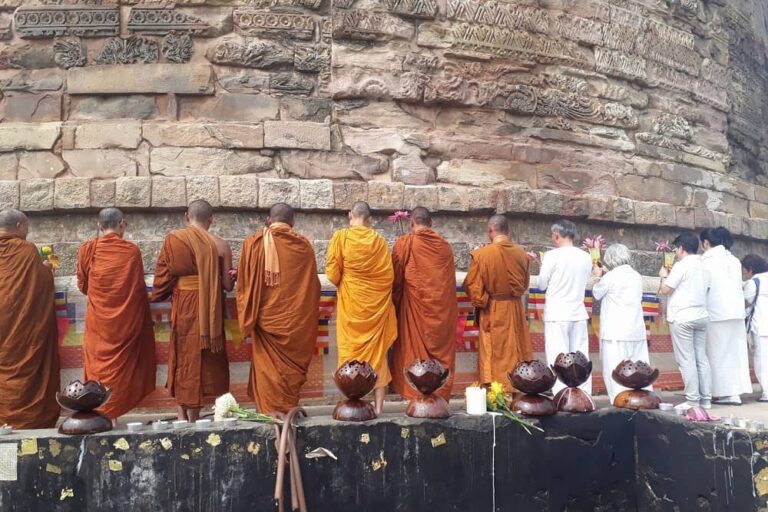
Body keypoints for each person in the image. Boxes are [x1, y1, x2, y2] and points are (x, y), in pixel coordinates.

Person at [151, 200, 233, 422]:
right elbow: (227, 285)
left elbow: (162, 281)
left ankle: (183, 415)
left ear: (187, 216)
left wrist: (153, 296)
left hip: (185, 306)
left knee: (184, 354)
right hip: (211, 310)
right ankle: (198, 414)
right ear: (211, 219)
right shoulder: (221, 245)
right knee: (207, 358)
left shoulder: (174, 240)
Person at [237, 203, 320, 414]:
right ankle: (285, 417)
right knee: (286, 378)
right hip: (296, 325)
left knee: (268, 373)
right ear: (292, 223)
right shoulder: (303, 246)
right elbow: (313, 288)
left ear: (268, 220)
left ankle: (272, 418)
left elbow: (244, 284)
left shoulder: (253, 243)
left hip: (267, 321)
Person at [76, 208, 156, 424]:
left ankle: (103, 415)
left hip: (98, 323)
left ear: (100, 226)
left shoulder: (88, 249)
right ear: (122, 224)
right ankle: (114, 416)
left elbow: (83, 285)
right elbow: (137, 289)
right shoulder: (131, 251)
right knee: (122, 368)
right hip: (125, 323)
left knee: (98, 367)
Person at [326, 201, 397, 416]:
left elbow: (332, 274)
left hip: (351, 306)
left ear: (350, 215)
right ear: (370, 219)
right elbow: (388, 277)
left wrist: (348, 282)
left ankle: (350, 406)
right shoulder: (379, 241)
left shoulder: (340, 238)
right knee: (377, 358)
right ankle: (379, 408)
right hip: (374, 309)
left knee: (349, 354)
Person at [0, 209, 60, 429]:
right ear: (19, 227)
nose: (27, 232)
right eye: (27, 227)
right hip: (21, 326)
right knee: (27, 368)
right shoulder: (26, 249)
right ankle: (29, 419)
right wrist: (47, 268)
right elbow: (41, 284)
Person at [391, 207, 457, 401]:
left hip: (415, 314)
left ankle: (416, 399)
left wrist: (395, 304)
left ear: (412, 223)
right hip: (441, 316)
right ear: (431, 224)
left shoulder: (405, 243)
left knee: (414, 355)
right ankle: (439, 398)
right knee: (439, 359)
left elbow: (394, 280)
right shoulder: (445, 247)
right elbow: (448, 284)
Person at [463, 214, 532, 390]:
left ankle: (496, 392)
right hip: (515, 308)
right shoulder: (521, 254)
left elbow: (474, 287)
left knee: (494, 352)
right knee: (516, 348)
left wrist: (483, 300)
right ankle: (518, 389)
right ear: (507, 231)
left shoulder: (482, 255)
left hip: (492, 309)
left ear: (490, 231)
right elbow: (524, 284)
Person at [538, 219, 593, 394]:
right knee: (580, 356)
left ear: (556, 235)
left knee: (558, 355)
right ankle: (583, 393)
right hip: (577, 312)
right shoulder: (586, 256)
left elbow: (541, 284)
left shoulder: (552, 256)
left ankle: (561, 394)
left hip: (557, 313)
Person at [591, 244, 650, 403]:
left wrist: (598, 276)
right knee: (640, 368)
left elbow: (597, 293)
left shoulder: (610, 277)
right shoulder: (636, 276)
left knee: (615, 370)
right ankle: (642, 400)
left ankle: (619, 401)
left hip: (615, 331)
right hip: (636, 330)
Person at [700, 227, 752, 405]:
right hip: (736, 313)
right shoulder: (734, 260)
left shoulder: (706, 261)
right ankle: (735, 392)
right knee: (735, 354)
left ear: (706, 243)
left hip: (716, 313)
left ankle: (725, 393)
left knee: (717, 354)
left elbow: (703, 287)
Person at [659, 233, 711, 408]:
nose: (675, 252)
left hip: (683, 316)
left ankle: (692, 400)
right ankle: (706, 399)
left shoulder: (682, 265)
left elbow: (665, 289)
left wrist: (664, 275)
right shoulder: (705, 265)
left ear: (681, 248)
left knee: (687, 359)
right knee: (701, 358)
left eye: (676, 249)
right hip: (702, 315)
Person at [742, 254, 768, 402]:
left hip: (762, 327)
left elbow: (747, 298)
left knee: (762, 361)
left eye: (745, 271)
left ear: (750, 269)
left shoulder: (754, 283)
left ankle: (767, 392)